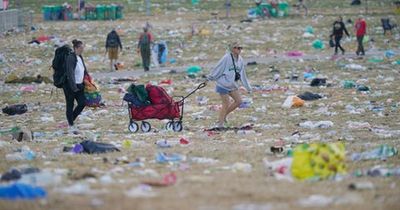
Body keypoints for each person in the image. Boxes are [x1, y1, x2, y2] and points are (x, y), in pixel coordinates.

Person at [206, 42, 252, 128]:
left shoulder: (240, 60)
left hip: (233, 85)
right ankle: (220, 124)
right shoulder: (226, 58)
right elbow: (218, 68)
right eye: (236, 48)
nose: (238, 50)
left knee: (239, 101)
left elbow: (242, 74)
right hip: (223, 84)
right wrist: (210, 78)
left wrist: (248, 87)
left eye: (240, 48)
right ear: (232, 49)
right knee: (226, 103)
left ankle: (223, 117)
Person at [64, 39, 88, 132]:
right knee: (70, 105)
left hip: (80, 85)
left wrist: (88, 79)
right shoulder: (71, 58)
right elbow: (70, 73)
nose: (83, 49)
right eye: (81, 47)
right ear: (76, 48)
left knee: (82, 103)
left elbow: (83, 69)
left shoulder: (80, 57)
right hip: (70, 86)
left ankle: (71, 120)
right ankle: (70, 124)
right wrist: (73, 87)